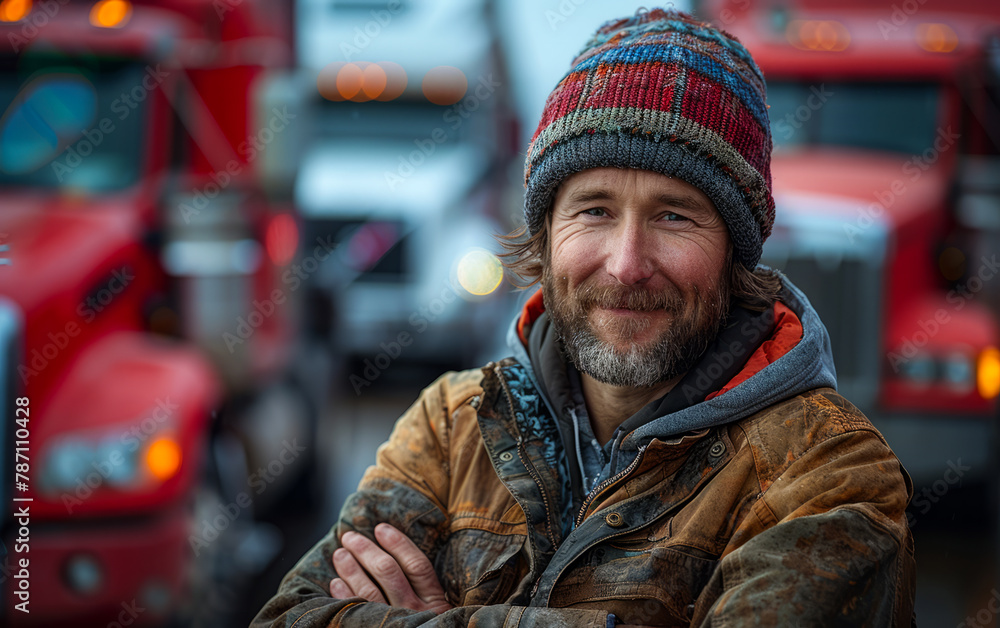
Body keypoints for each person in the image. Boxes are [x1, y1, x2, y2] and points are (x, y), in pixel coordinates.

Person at [253, 8, 915, 627]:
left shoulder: (829, 477)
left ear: (736, 253)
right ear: (543, 236)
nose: (626, 264)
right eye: (594, 209)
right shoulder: (452, 425)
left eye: (674, 215)